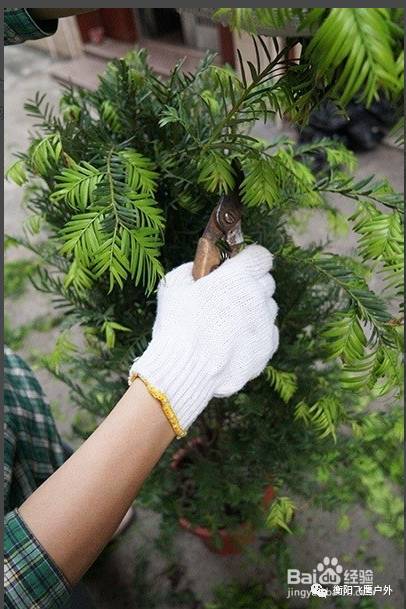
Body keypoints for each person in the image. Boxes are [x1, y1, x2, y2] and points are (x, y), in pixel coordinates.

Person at [4, 245, 279, 609]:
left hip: (19, 434)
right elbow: (16, 585)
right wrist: (182, 367)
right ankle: (82, 539)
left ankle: (91, 518)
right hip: (42, 584)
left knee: (48, 466)